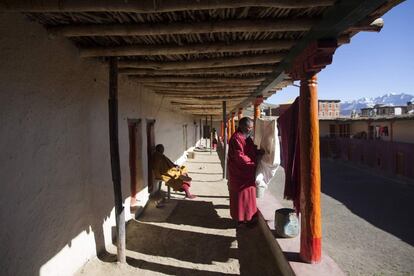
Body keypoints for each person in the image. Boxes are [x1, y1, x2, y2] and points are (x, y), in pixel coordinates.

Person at [227, 117, 263, 226]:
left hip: (247, 173)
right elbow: (239, 156)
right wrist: (252, 163)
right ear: (242, 126)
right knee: (240, 197)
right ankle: (240, 220)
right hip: (239, 172)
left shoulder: (246, 137)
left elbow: (250, 149)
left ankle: (249, 217)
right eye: (249, 128)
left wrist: (258, 152)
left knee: (249, 196)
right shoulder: (236, 138)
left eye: (251, 128)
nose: (250, 130)